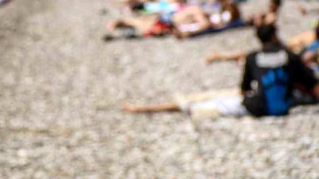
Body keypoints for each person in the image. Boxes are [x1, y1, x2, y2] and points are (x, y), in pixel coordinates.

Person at [123, 24, 319, 118]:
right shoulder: (290, 57)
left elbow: (243, 88)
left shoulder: (253, 57)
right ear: (275, 36)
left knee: (205, 104)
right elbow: (312, 83)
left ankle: (148, 108)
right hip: (283, 102)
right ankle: (148, 108)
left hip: (257, 105)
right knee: (211, 99)